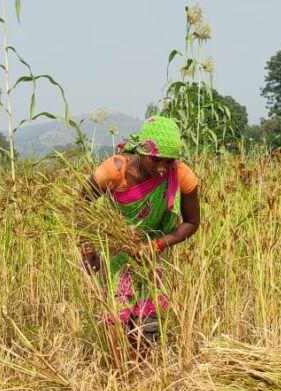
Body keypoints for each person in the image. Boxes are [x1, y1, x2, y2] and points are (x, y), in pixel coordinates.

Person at [80, 115, 201, 353]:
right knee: (117, 316)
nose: (162, 168)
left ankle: (143, 372)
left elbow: (192, 223)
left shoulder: (183, 175)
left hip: (150, 251)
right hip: (114, 251)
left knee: (149, 318)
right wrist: (87, 247)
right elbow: (82, 206)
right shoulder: (115, 170)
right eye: (156, 160)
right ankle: (119, 373)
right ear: (142, 151)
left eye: (169, 162)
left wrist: (156, 245)